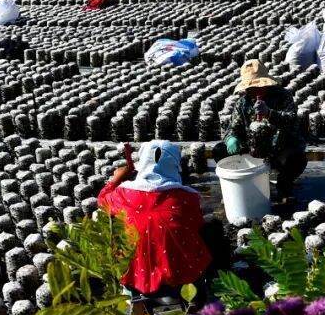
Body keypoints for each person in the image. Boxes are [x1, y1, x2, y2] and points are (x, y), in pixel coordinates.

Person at [98, 141, 211, 296]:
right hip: (182, 279)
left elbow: (102, 200)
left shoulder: (122, 194)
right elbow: (198, 224)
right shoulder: (187, 198)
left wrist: (116, 179)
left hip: (136, 280)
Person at [212, 59, 307, 200]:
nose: (252, 90)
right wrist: (231, 138)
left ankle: (284, 185)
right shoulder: (243, 103)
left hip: (279, 147)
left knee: (296, 158)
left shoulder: (283, 96)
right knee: (219, 150)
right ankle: (245, 182)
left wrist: (269, 113)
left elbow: (291, 119)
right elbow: (233, 128)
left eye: (257, 87)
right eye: (249, 88)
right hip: (252, 148)